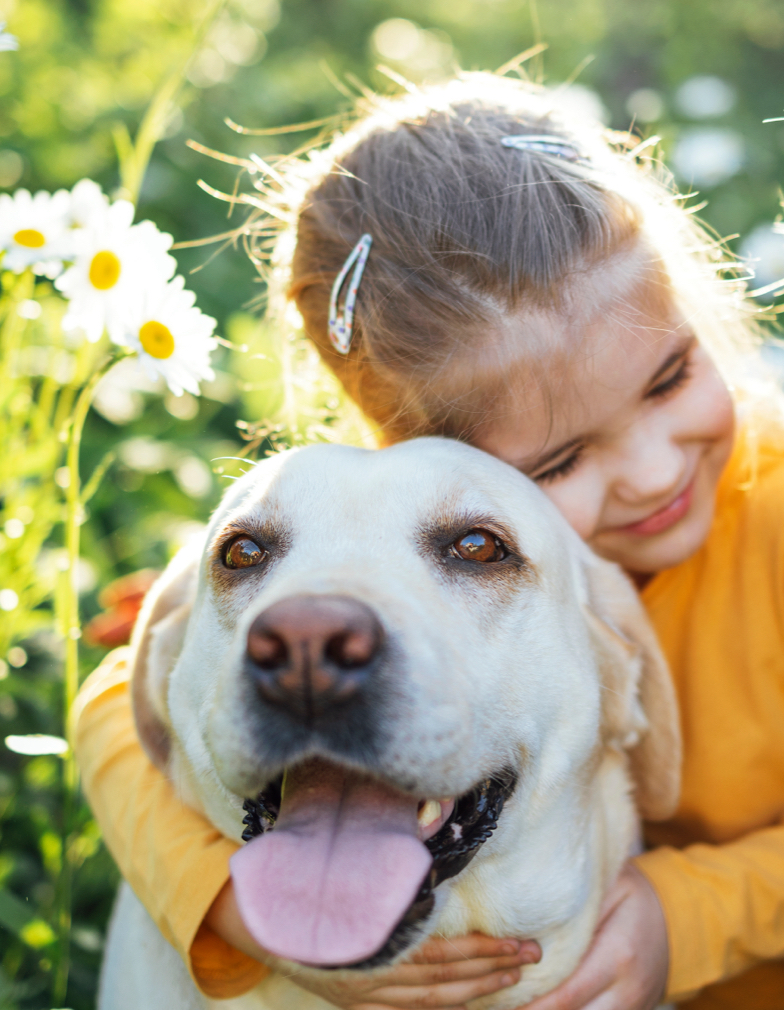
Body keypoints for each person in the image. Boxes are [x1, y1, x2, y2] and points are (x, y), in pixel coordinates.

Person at [74, 72, 784, 1010]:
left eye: (669, 378)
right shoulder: (373, 536)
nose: (655, 471)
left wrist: (686, 914)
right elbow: (120, 698)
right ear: (422, 453)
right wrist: (224, 903)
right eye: (558, 460)